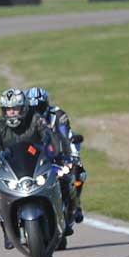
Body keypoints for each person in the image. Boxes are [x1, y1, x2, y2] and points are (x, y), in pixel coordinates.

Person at [0, 88, 60, 249]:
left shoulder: (36, 119)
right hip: (10, 172)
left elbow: (49, 136)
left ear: (24, 108)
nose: (12, 113)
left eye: (15, 109)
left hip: (36, 168)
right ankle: (7, 230)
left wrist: (54, 153)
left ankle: (62, 218)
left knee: (60, 181)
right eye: (8, 110)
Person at [26, 87, 85, 224]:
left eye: (39, 107)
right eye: (32, 108)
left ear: (46, 104)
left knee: (79, 174)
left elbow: (66, 136)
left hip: (58, 156)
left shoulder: (58, 115)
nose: (37, 112)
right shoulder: (25, 119)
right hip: (35, 157)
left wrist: (73, 157)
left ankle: (75, 204)